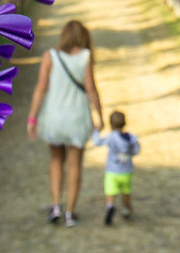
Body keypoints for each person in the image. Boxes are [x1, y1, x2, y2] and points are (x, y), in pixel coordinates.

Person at [28, 18, 104, 224]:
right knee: (74, 165)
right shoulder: (85, 57)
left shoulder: (50, 56)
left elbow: (40, 88)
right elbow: (90, 88)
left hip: (54, 116)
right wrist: (99, 115)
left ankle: (55, 207)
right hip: (76, 117)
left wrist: (32, 118)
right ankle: (70, 212)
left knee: (55, 161)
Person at [96, 109, 140, 225]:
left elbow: (97, 142)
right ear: (125, 123)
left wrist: (96, 131)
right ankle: (126, 209)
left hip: (112, 171)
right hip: (126, 171)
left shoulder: (111, 137)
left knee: (110, 191)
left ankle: (110, 206)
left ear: (110, 124)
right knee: (126, 191)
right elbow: (137, 150)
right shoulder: (131, 138)